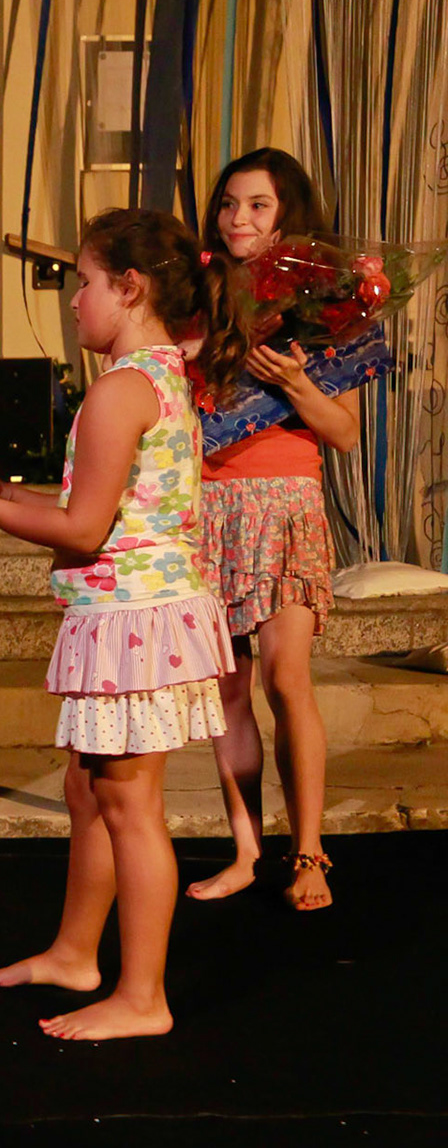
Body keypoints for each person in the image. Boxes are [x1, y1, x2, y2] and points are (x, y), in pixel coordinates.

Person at [0, 208, 235, 1041]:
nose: (73, 302)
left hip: (134, 613)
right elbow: (97, 507)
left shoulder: (121, 388)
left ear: (129, 288)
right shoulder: (156, 376)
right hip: (132, 605)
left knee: (129, 802)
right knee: (89, 788)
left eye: (84, 283)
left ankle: (142, 997)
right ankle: (73, 951)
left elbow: (85, 530)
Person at [185, 149, 350, 911]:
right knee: (227, 689)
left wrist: (296, 383)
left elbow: (343, 432)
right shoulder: (199, 293)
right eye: (228, 204)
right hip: (209, 509)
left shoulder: (319, 304)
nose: (239, 218)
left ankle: (308, 852)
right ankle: (247, 849)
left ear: (286, 213)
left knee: (287, 679)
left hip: (284, 502)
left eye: (256, 204)